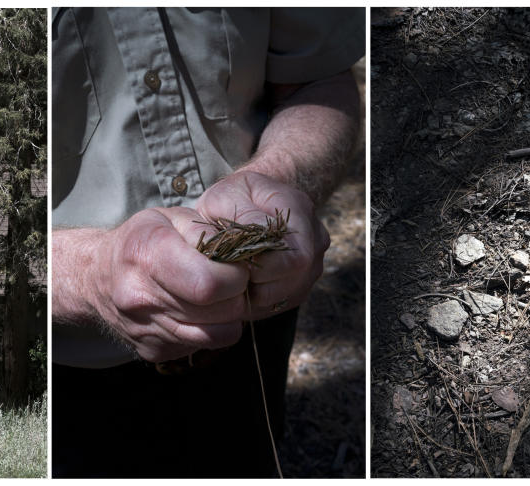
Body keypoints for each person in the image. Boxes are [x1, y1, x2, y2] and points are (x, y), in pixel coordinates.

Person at [52, 7, 364, 477]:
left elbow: (319, 82)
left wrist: (278, 175)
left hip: (257, 322)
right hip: (71, 371)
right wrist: (88, 273)